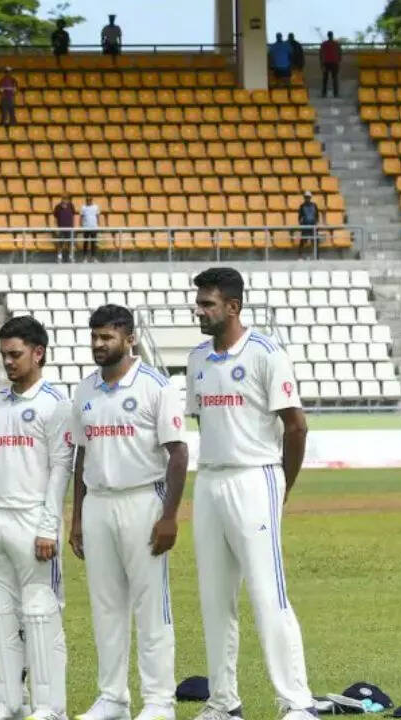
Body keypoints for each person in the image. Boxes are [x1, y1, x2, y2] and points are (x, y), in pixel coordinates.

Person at [185, 268, 316, 720]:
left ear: (233, 307)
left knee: (267, 593)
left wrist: (282, 484)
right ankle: (223, 702)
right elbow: (204, 421)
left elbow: (296, 427)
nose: (199, 311)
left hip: (255, 477)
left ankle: (297, 702)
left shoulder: (265, 353)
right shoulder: (198, 358)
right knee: (214, 598)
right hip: (209, 480)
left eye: (207, 304)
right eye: (199, 303)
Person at [69, 305, 187, 720]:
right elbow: (81, 456)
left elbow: (178, 453)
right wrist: (77, 518)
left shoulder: (156, 385)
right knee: (106, 607)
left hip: (143, 499)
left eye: (107, 337)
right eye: (95, 337)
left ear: (130, 339)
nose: (99, 344)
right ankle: (112, 698)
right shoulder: (85, 389)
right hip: (98, 503)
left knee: (150, 605)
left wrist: (169, 516)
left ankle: (159, 702)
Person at [0, 315, 72, 720]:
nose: (8, 362)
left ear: (38, 353)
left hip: (33, 522)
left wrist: (48, 527)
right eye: (4, 355)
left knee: (40, 613)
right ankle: (8, 702)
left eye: (16, 354)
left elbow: (60, 469)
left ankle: (50, 707)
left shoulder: (56, 404)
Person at [52, 197, 77, 262]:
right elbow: (55, 218)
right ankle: (59, 257)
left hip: (70, 228)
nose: (65, 200)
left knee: (70, 243)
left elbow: (74, 216)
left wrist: (74, 226)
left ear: (68, 200)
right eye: (64, 199)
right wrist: (56, 227)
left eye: (66, 199)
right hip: (61, 228)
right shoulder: (57, 207)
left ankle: (71, 257)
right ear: (61, 200)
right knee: (60, 243)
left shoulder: (71, 205)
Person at [320, 32, 341, 98]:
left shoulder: (324, 44)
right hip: (334, 63)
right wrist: (338, 61)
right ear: (332, 35)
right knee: (334, 79)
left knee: (325, 79)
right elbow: (340, 53)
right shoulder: (336, 44)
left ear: (328, 36)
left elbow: (321, 54)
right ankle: (335, 94)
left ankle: (324, 93)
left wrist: (321, 64)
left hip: (326, 63)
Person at [79, 196, 101, 261]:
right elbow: (81, 216)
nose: (88, 201)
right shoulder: (83, 207)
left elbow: (97, 216)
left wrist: (98, 224)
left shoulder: (96, 207)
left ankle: (93, 257)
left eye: (90, 200)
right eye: (87, 200)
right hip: (86, 227)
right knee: (85, 242)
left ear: (92, 200)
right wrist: (80, 224)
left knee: (93, 243)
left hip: (94, 227)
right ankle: (85, 257)